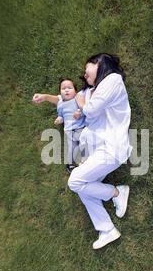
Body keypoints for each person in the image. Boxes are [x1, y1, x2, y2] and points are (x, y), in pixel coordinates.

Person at [68, 53, 133, 250]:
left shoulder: (113, 79)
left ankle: (115, 192)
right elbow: (92, 121)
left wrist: (81, 101)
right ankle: (106, 229)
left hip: (112, 148)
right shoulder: (96, 89)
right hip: (100, 149)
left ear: (99, 64)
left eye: (87, 70)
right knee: (84, 185)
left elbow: (91, 110)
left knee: (74, 181)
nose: (84, 75)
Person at [32, 79, 89, 174]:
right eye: (63, 88)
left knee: (83, 143)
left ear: (75, 91)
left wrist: (79, 113)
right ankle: (69, 164)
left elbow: (84, 109)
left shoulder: (77, 98)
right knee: (71, 147)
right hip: (68, 130)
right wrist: (59, 119)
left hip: (80, 127)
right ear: (60, 92)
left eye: (69, 88)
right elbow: (61, 115)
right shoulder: (60, 103)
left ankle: (85, 160)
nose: (66, 90)